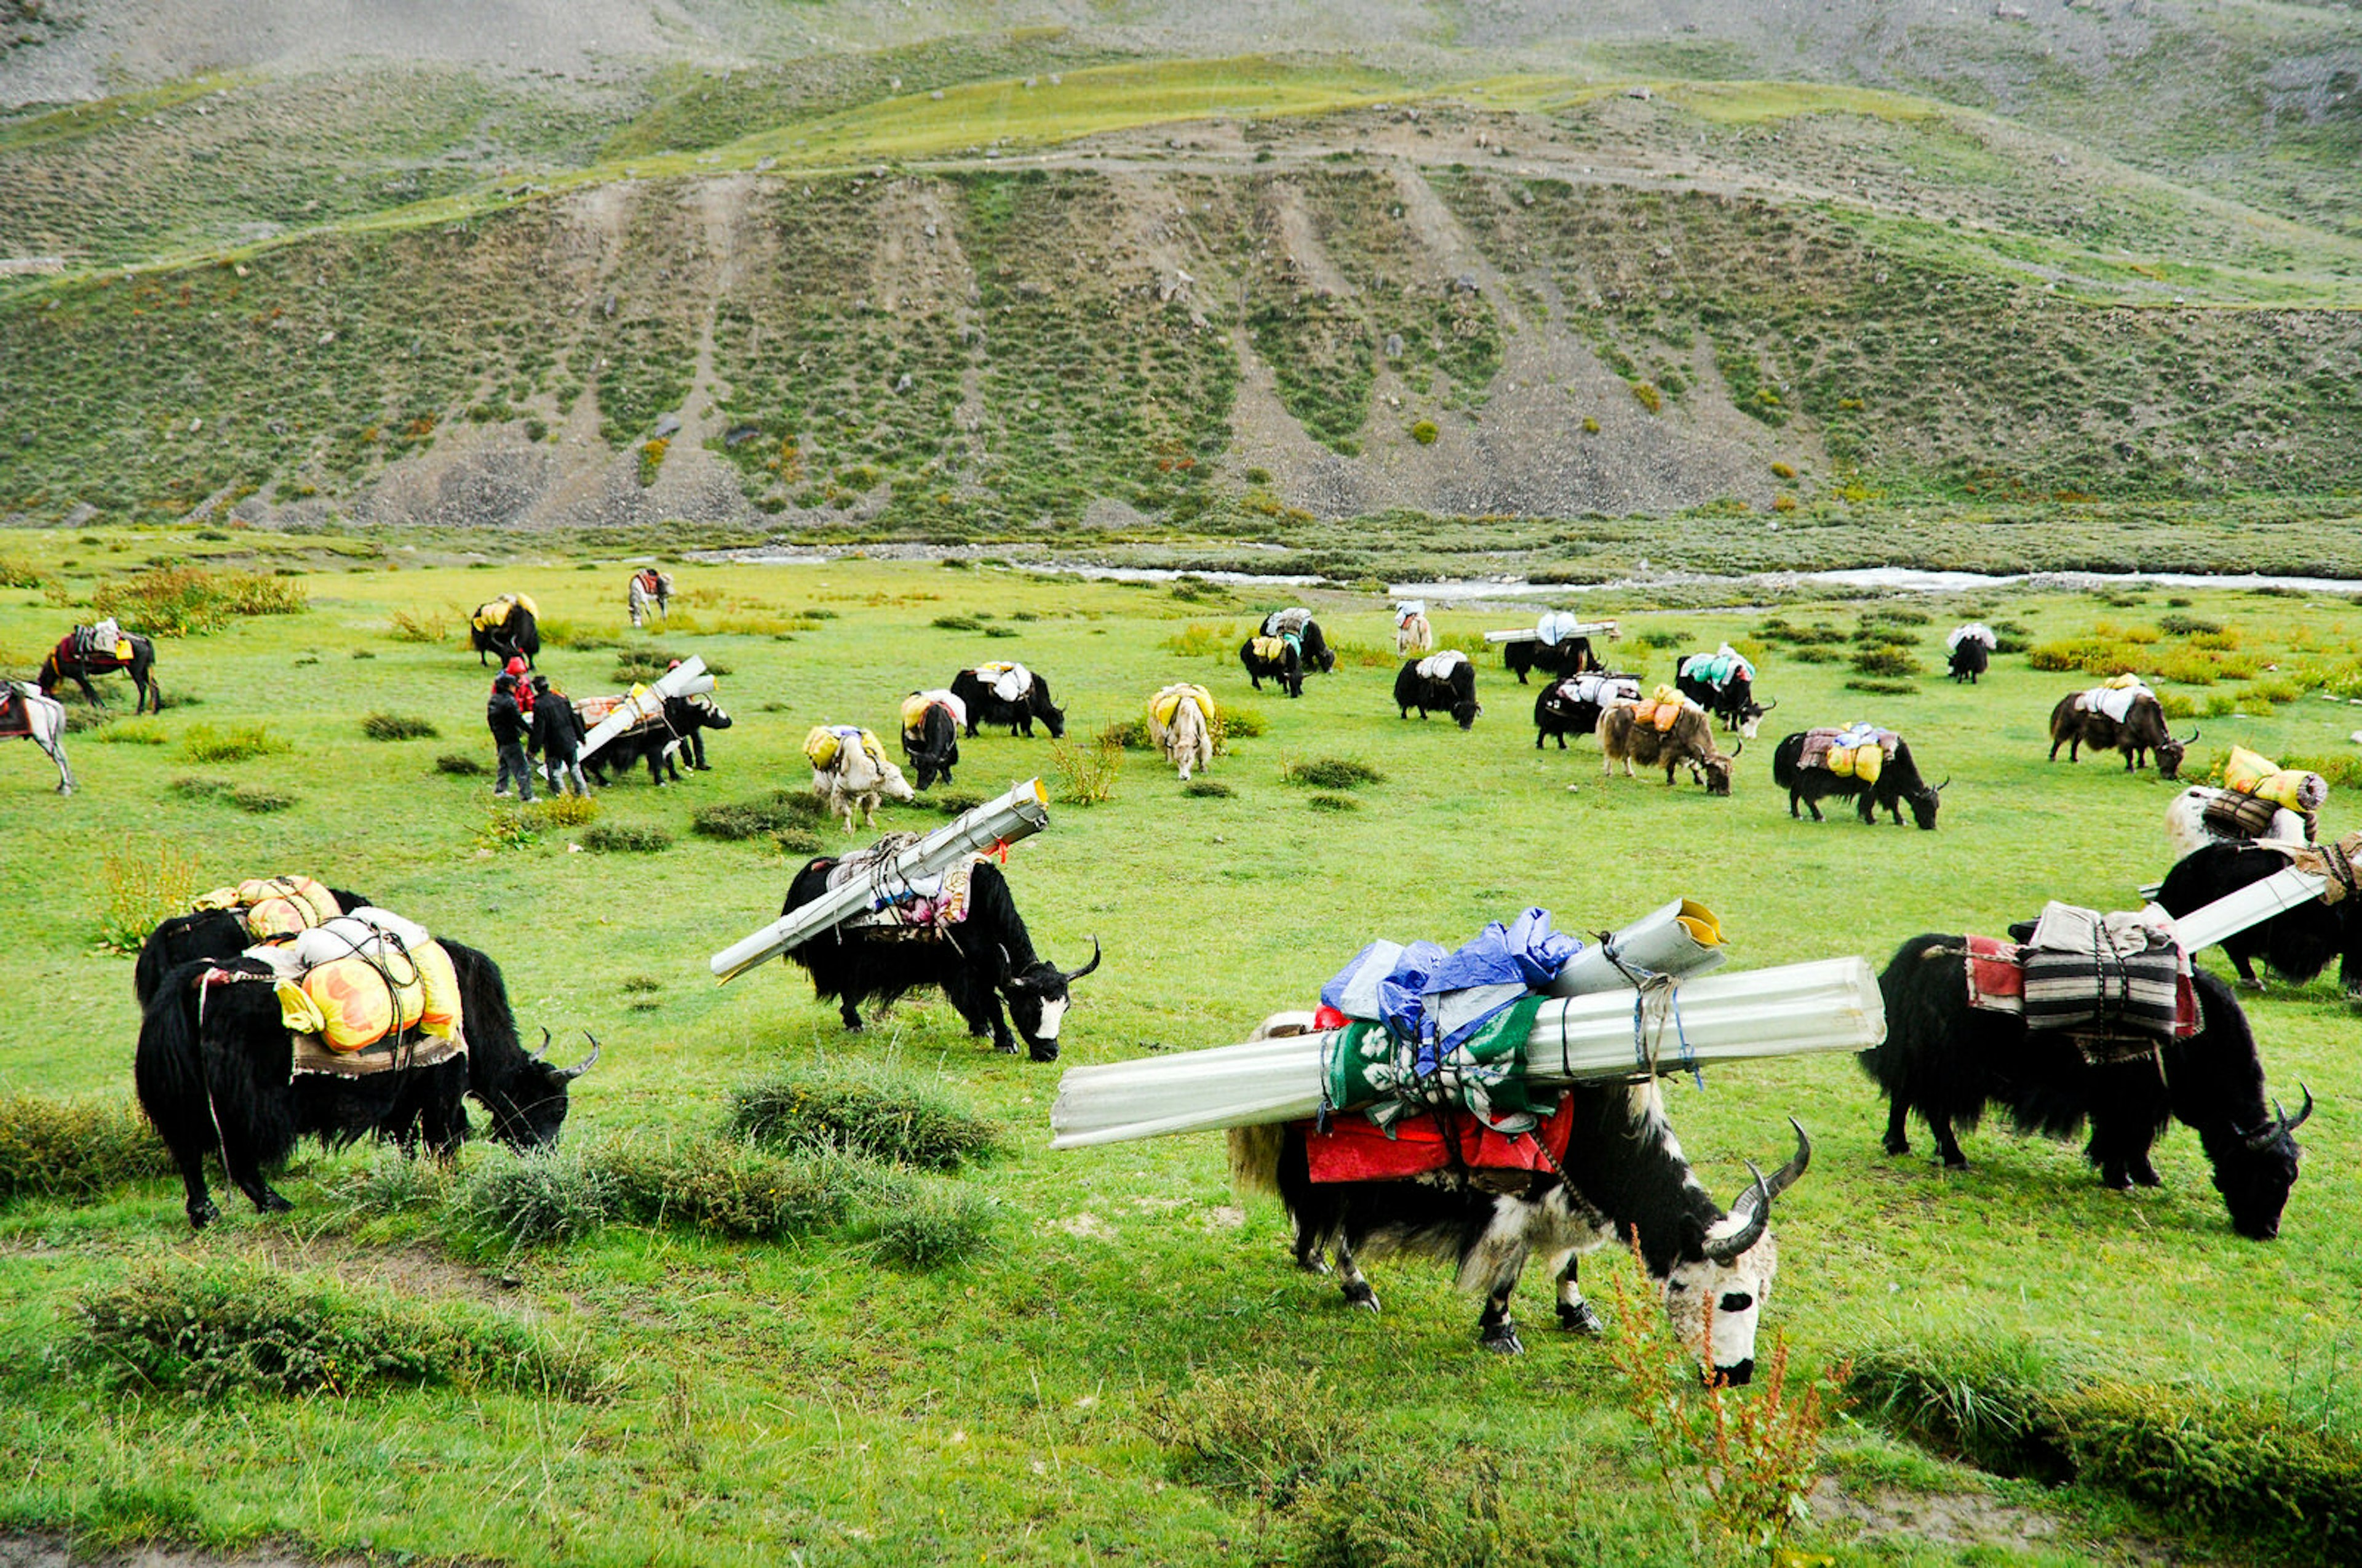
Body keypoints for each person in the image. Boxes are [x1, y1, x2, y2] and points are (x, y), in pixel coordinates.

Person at [531, 674, 591, 797]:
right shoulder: (562, 699)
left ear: (536, 688)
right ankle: (584, 793)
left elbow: (539, 730)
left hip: (554, 745)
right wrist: (581, 737)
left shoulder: (539, 705)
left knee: (555, 772)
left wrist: (533, 749)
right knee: (575, 768)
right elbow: (574, 719)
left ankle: (563, 796)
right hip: (570, 740)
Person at [487, 673, 534, 800]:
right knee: (522, 768)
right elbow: (518, 720)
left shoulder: (494, 700)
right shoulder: (510, 702)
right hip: (511, 738)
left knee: (504, 764)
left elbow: (490, 720)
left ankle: (501, 789)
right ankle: (527, 796)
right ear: (509, 687)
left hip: (500, 737)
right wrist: (531, 731)